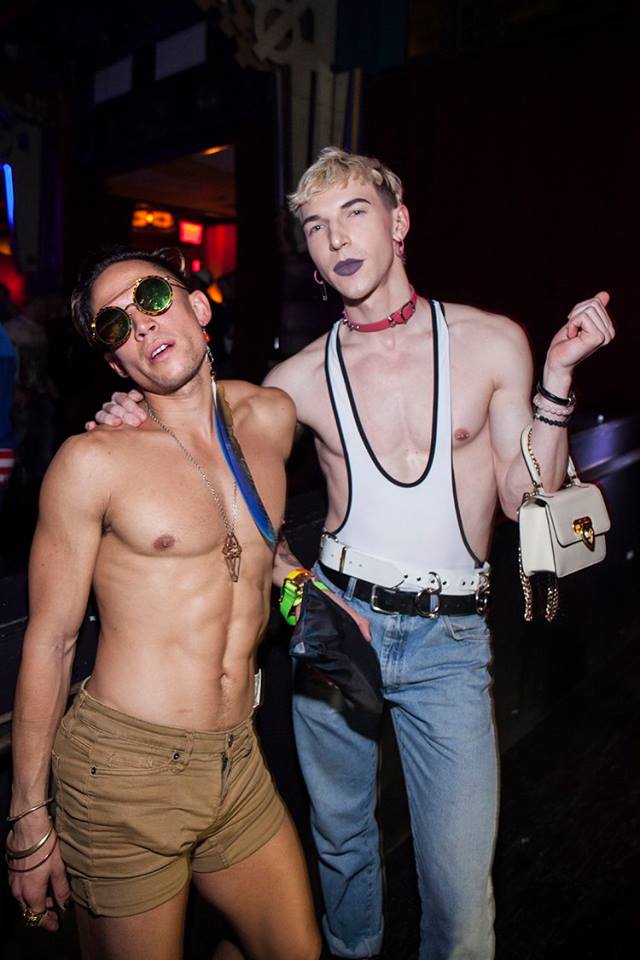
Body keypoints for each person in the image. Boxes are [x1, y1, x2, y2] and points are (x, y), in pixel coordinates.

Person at [92, 148, 615, 960]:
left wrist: (556, 378)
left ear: (398, 223)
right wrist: (130, 409)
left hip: (449, 641)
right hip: (338, 625)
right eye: (316, 225)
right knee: (341, 850)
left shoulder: (492, 342)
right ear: (309, 255)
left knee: (460, 894)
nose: (336, 236)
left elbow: (526, 499)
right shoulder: (294, 380)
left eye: (355, 212)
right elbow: (213, 461)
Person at [7, 247, 321, 960]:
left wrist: (313, 600)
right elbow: (50, 642)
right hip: (125, 774)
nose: (141, 325)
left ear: (198, 306)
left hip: (237, 756)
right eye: (114, 326)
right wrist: (28, 819)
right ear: (115, 364)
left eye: (151, 297)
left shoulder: (271, 417)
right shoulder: (93, 462)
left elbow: (265, 549)